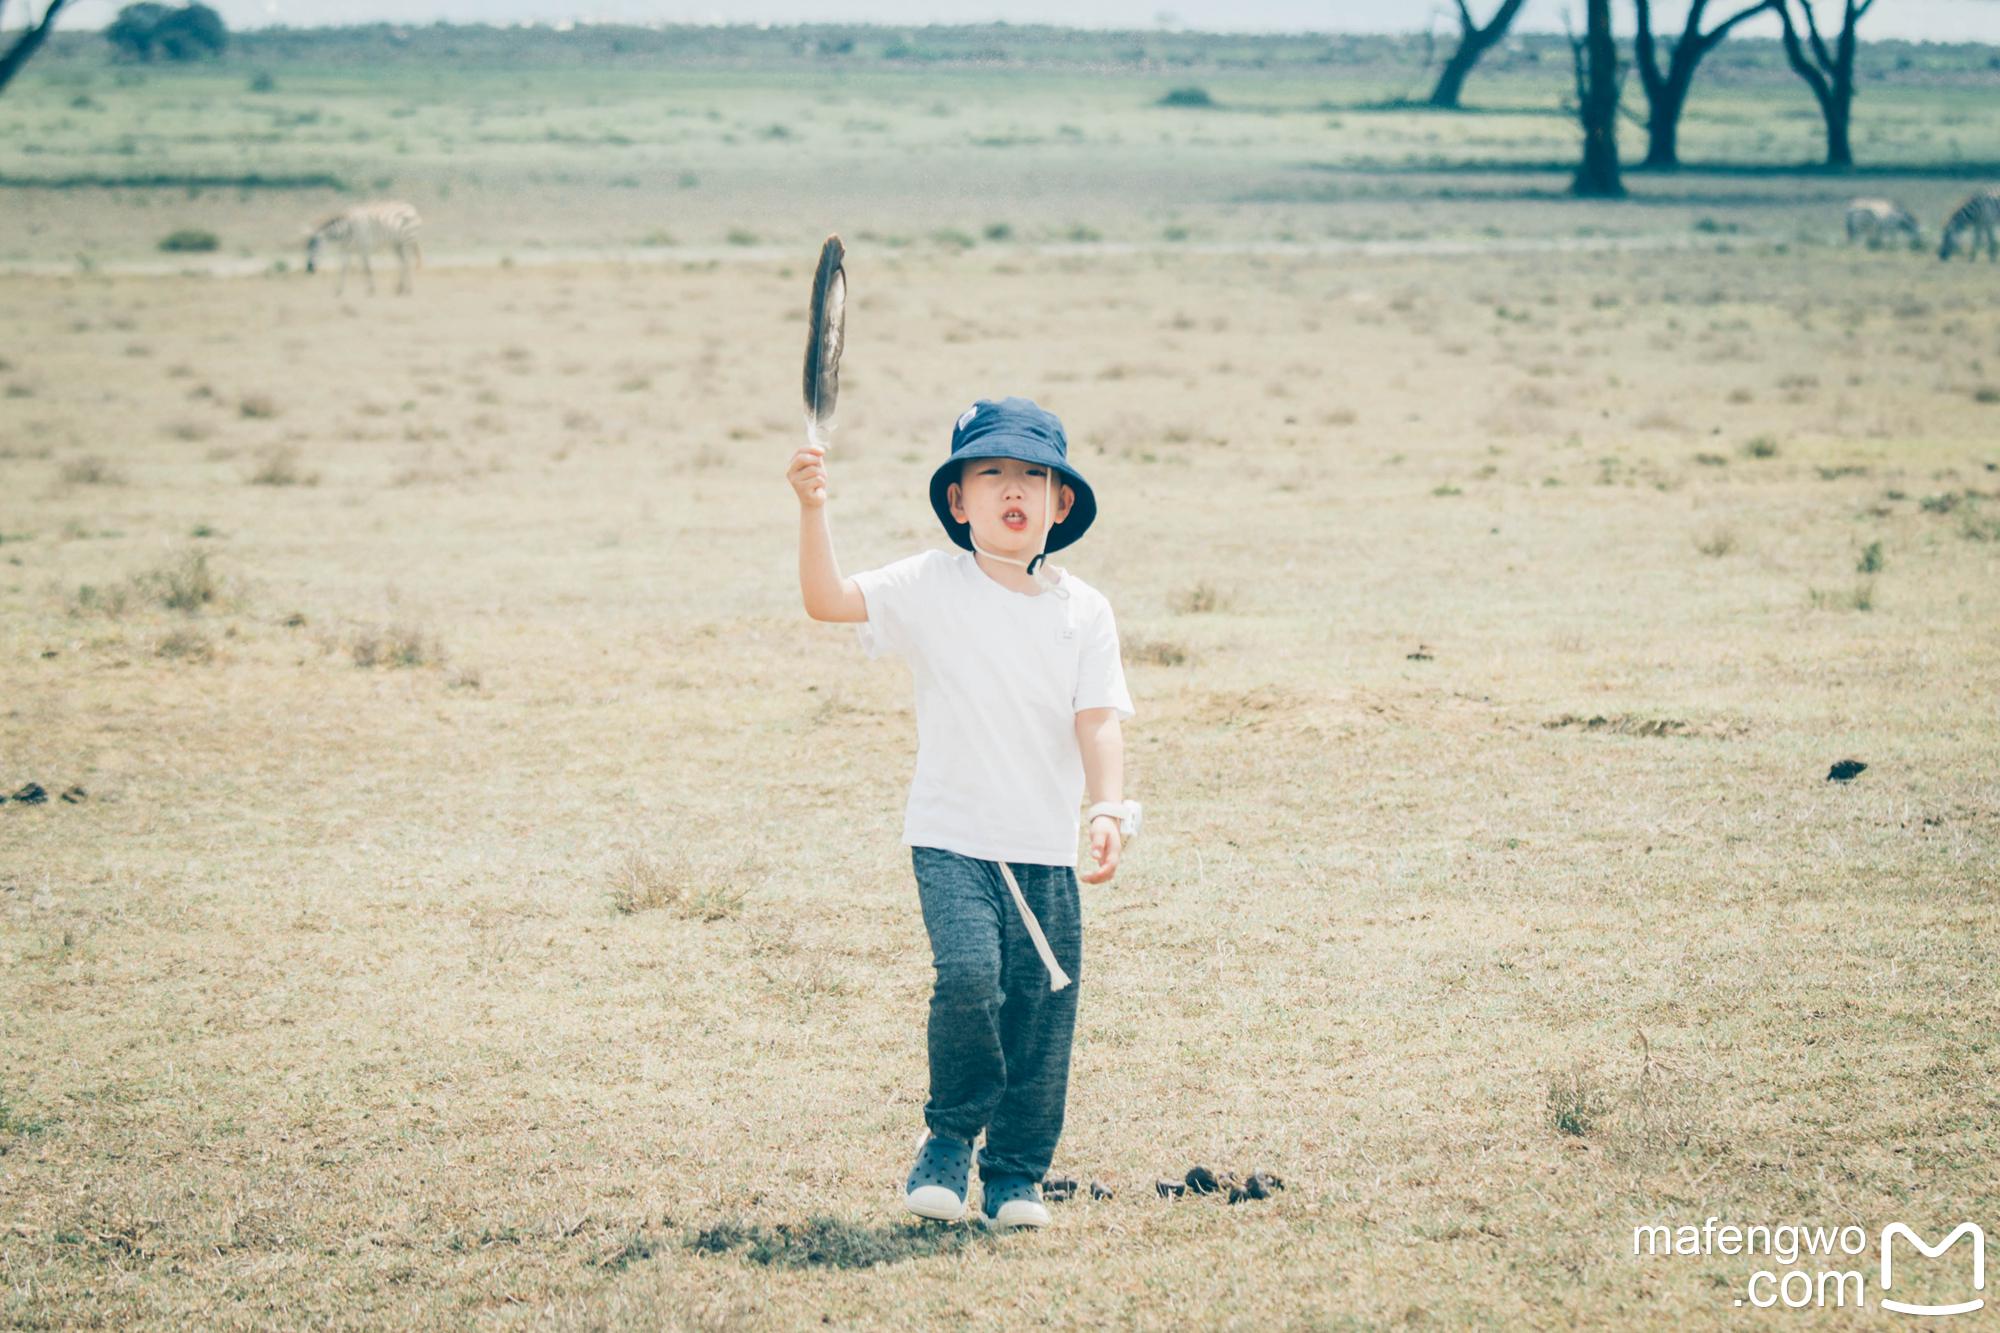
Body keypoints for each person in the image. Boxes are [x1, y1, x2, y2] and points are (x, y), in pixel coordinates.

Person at [785, 396, 1140, 1230]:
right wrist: (812, 509)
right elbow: (828, 599)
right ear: (958, 500)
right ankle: (946, 1142)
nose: (1012, 488)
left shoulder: (1084, 609)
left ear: (1060, 502)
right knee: (971, 977)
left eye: (1032, 475)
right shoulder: (927, 584)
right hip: (950, 839)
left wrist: (1110, 807)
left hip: (1045, 851)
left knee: (1041, 1013)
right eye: (991, 473)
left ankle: (1014, 1175)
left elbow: (1100, 718)